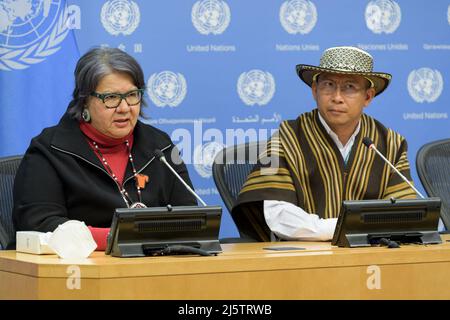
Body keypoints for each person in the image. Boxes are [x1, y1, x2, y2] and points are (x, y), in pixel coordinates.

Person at [13, 48, 197, 250]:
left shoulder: (160, 146)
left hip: (153, 268)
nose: (125, 108)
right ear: (84, 101)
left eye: (132, 95)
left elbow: (190, 219)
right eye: (110, 98)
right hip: (79, 272)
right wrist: (122, 237)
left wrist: (143, 239)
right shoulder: (49, 150)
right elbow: (39, 225)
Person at [232, 46, 417, 242]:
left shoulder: (390, 144)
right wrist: (342, 228)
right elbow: (278, 214)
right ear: (314, 90)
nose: (337, 97)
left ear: (368, 97)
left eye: (349, 87)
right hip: (305, 260)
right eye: (328, 85)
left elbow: (401, 214)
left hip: (371, 258)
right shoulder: (287, 137)